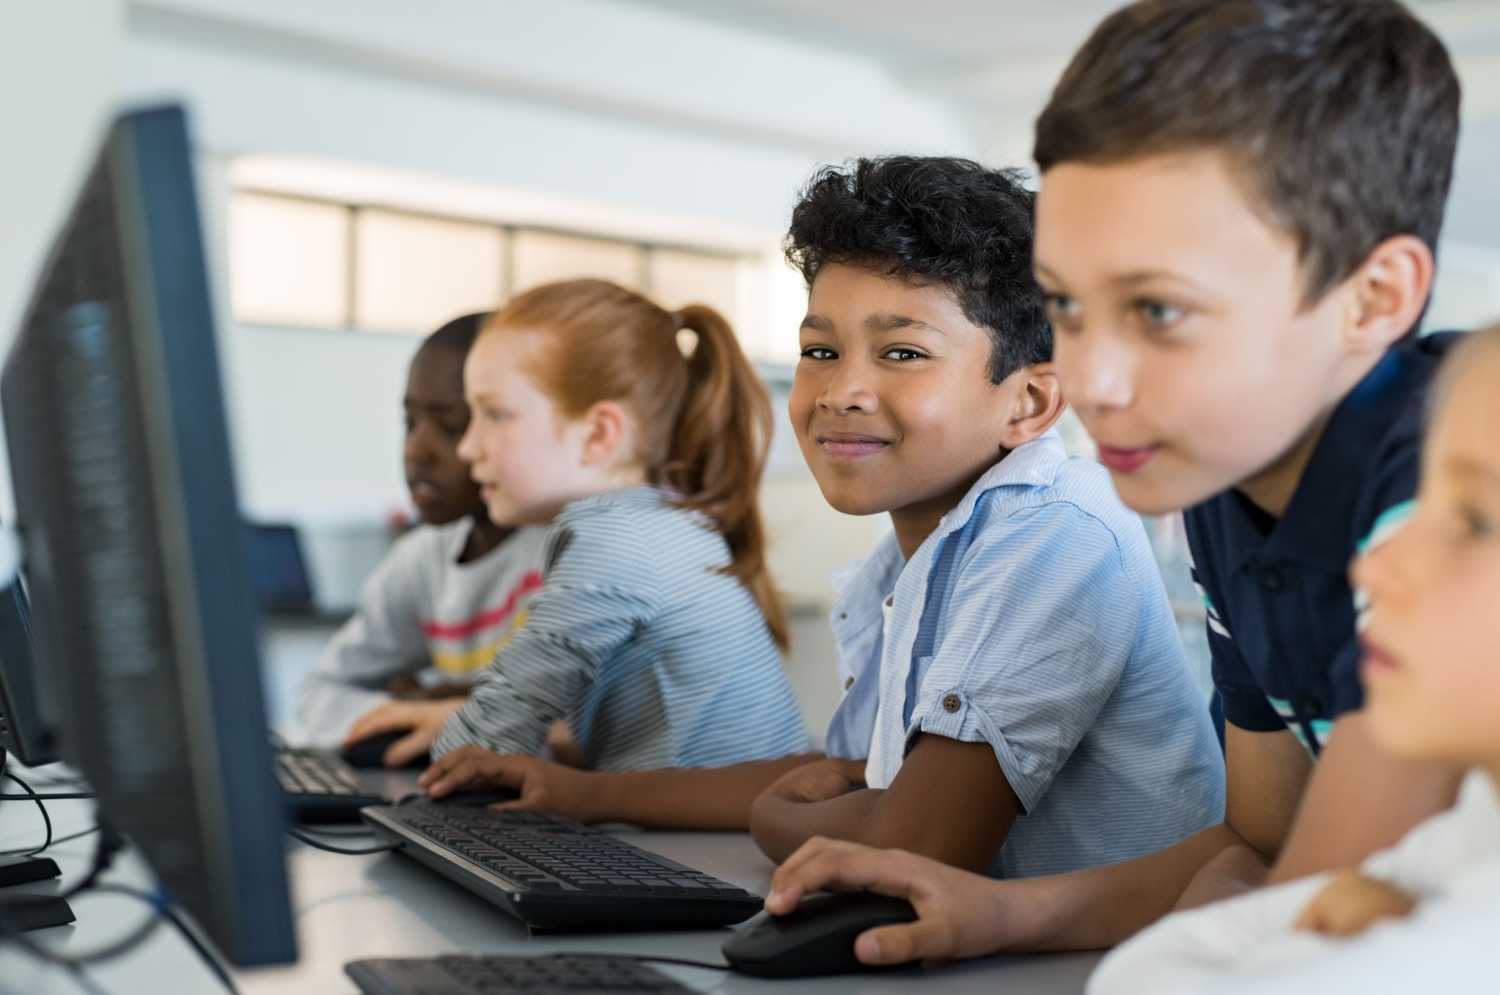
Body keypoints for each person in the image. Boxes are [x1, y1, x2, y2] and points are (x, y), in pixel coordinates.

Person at [762, 0, 1469, 964]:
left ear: (1374, 298)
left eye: (1159, 308)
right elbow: (1258, 844)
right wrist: (996, 914)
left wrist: (1254, 890)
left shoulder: (1450, 481)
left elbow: (1325, 920)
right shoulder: (1230, 482)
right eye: (1068, 306)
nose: (1090, 381)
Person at [421, 159, 1223, 881]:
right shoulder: (907, 560)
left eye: (902, 353)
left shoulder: (1055, 530)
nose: (841, 390)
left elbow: (916, 837)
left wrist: (778, 817)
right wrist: (582, 792)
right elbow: (841, 773)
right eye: (821, 350)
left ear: (1031, 401)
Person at [1087, 327, 1500, 994]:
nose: (1373, 564)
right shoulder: (1476, 827)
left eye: (1475, 522)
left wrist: (1291, 920)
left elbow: (1140, 979)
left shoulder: (1474, 931)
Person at [354, 279, 808, 772]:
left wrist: (452, 732)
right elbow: (627, 731)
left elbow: (489, 737)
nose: (468, 448)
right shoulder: (661, 521)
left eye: (493, 415)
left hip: (701, 846)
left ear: (597, 434)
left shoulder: (615, 542)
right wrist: (455, 714)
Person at [295, 312, 548, 759]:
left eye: (451, 427)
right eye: (410, 422)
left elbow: (583, 729)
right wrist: (405, 711)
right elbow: (317, 694)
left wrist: (460, 710)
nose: (416, 451)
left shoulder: (565, 551)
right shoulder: (424, 559)